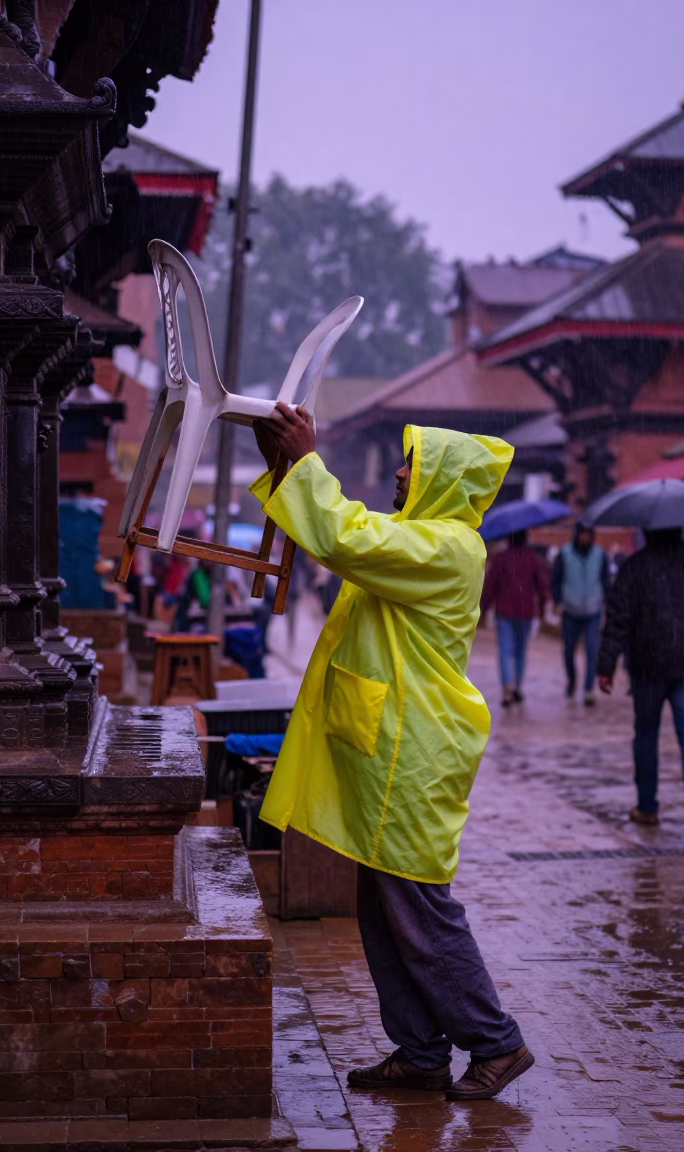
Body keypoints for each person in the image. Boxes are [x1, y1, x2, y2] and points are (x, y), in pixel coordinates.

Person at [251, 403, 533, 1101]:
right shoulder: (418, 536)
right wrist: (290, 467)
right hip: (390, 748)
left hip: (415, 752)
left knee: (417, 907)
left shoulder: (450, 547)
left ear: (442, 479)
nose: (402, 472)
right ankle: (419, 1050)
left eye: (414, 464)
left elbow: (345, 538)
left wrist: (306, 461)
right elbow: (347, 536)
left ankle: (496, 1043)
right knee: (382, 904)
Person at [597, 527, 684, 840]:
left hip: (647, 665)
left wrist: (606, 665)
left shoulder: (635, 567)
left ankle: (647, 807)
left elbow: (618, 618)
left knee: (645, 735)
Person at [480, 530, 549, 706]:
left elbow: (490, 586)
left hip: (504, 611)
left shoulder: (500, 559)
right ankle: (518, 686)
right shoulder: (532, 559)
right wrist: (543, 606)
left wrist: (483, 607)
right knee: (520, 650)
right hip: (525, 611)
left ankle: (506, 688)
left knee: (505, 650)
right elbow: (542, 585)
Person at [551, 523, 609, 706]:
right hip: (570, 610)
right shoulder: (565, 554)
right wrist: (557, 601)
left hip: (593, 610)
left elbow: (605, 581)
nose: (585, 538)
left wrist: (607, 606)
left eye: (588, 535)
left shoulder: (600, 555)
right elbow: (556, 580)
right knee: (568, 651)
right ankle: (572, 679)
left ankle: (588, 690)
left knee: (592, 651)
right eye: (582, 534)